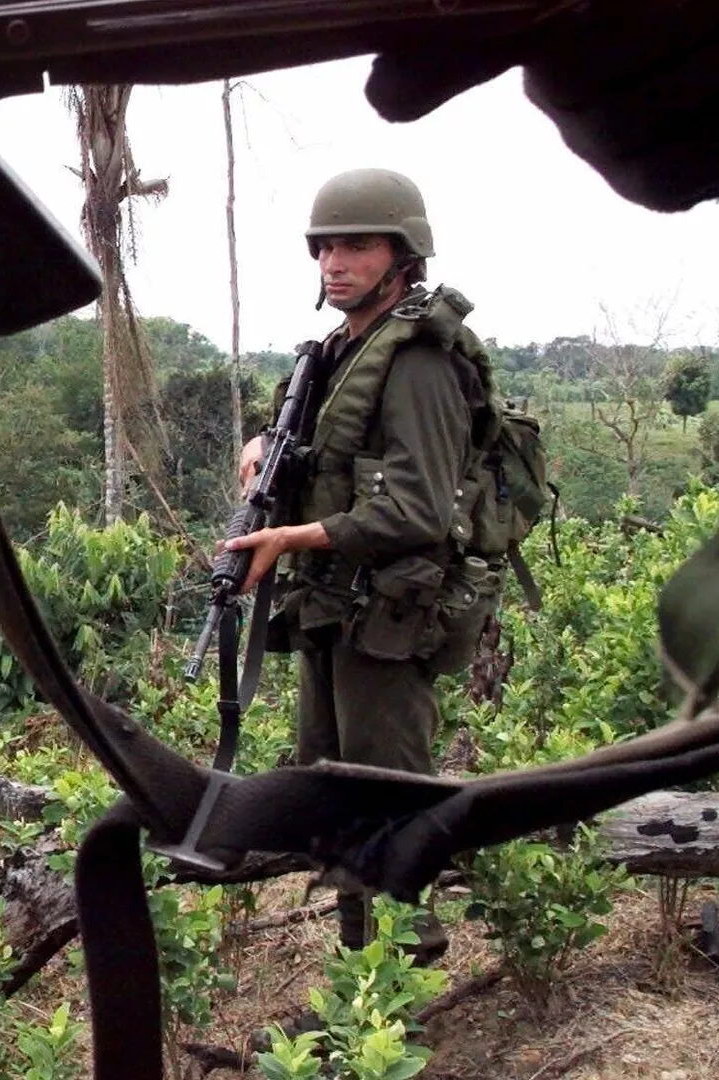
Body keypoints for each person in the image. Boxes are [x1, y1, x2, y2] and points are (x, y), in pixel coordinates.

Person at [223, 167, 505, 963]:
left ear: (403, 253)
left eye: (357, 245)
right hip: (334, 609)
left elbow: (418, 510)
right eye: (325, 248)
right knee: (335, 795)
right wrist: (259, 448)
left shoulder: (419, 361)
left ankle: (400, 998)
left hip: (388, 616)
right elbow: (326, 456)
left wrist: (292, 540)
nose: (334, 263)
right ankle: (360, 992)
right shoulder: (346, 349)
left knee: (385, 801)